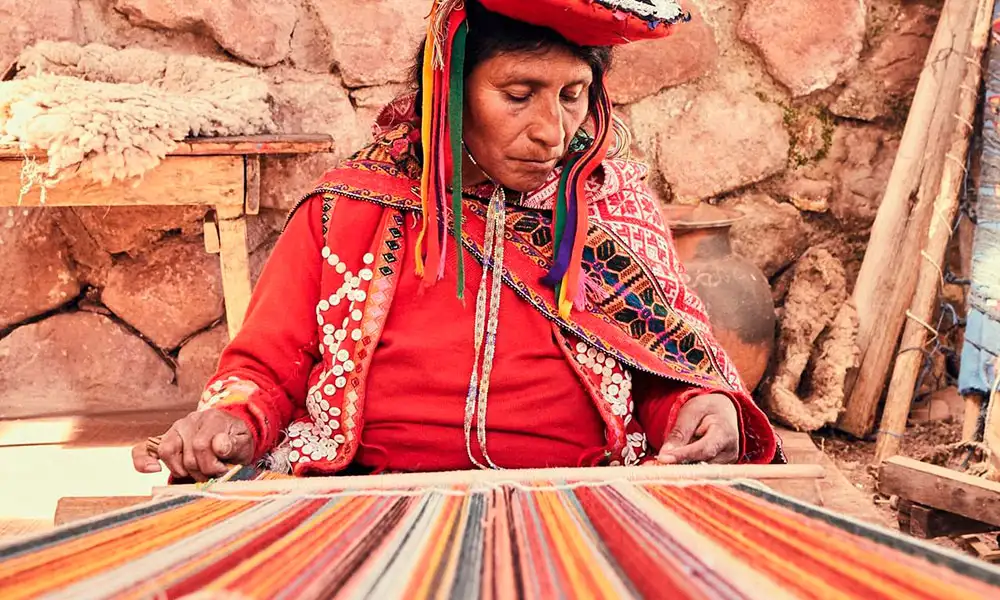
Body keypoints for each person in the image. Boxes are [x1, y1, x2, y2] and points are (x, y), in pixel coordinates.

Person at [132, 0, 783, 482]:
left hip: (586, 494)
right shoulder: (351, 208)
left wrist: (700, 411)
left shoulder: (611, 211)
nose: (551, 132)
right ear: (449, 88)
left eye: (573, 96)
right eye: (519, 94)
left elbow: (667, 373)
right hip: (367, 501)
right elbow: (264, 371)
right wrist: (232, 420)